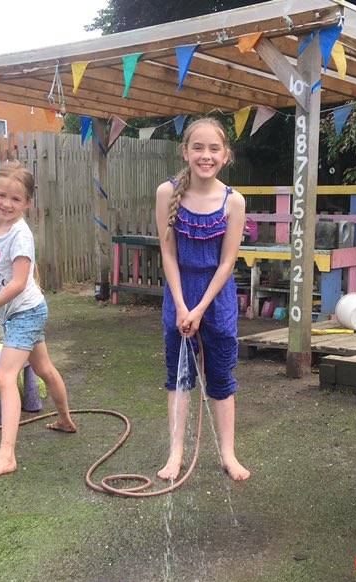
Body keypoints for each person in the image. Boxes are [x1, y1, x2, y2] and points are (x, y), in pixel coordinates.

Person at [0, 160, 77, 481]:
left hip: (26, 310)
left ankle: (6, 456)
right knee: (44, 369)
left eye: (16, 199)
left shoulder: (22, 235)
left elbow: (16, 283)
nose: (7, 204)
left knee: (4, 377)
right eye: (2, 196)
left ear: (27, 202)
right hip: (16, 313)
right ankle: (66, 420)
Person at [154, 117, 250, 481]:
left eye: (214, 149)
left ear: (226, 155)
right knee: (178, 376)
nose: (205, 155)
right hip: (179, 293)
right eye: (198, 147)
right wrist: (181, 305)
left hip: (217, 298)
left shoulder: (233, 201)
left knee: (221, 375)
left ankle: (228, 454)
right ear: (185, 151)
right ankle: (175, 453)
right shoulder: (166, 193)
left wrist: (200, 308)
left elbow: (227, 262)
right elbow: (168, 256)